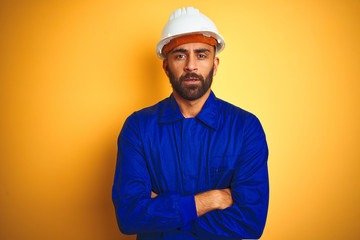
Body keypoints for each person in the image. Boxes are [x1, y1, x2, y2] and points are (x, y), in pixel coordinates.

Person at [112, 6, 269, 240]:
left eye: (202, 55)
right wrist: (212, 200)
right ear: (166, 67)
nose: (191, 66)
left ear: (214, 66)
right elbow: (130, 216)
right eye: (180, 55)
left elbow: (251, 222)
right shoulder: (138, 128)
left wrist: (165, 214)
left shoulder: (246, 128)